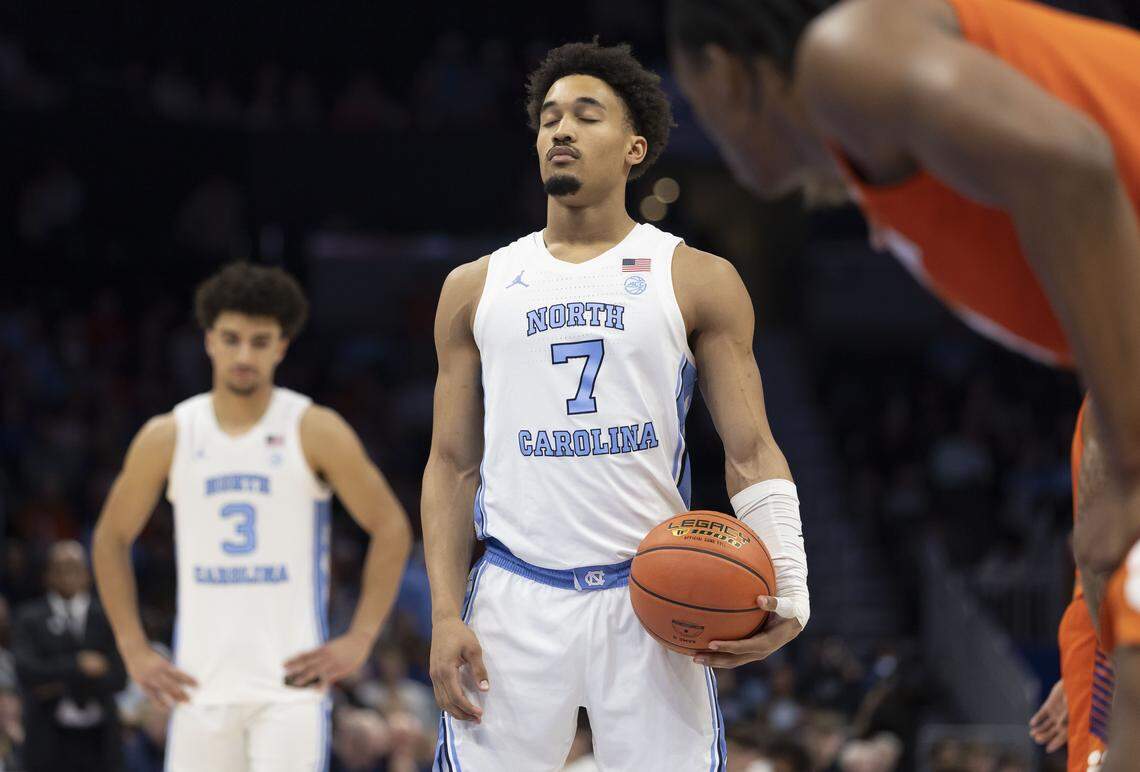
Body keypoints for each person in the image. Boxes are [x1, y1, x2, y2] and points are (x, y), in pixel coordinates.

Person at [665, 1, 1140, 768]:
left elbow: (1073, 164)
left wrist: (1128, 464)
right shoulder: (873, 159)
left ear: (720, 69)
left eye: (687, 85)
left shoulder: (848, 54)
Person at [422, 41, 810, 770]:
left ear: (635, 148)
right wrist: (444, 614)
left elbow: (751, 447)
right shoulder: (474, 287)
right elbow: (450, 464)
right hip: (515, 596)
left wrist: (789, 584)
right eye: (549, 118)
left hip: (656, 600)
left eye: (585, 116)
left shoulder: (697, 277)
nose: (560, 130)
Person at [91, 263, 412, 771]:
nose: (245, 355)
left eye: (260, 342)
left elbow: (391, 527)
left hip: (289, 691)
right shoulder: (170, 434)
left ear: (282, 346)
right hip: (198, 688)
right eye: (232, 339)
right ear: (209, 341)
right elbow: (110, 537)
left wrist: (360, 639)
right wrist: (133, 648)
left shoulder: (313, 428)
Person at [11, 541, 126, 772]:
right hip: (47, 739)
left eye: (74, 567)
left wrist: (56, 681)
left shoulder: (107, 616)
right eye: (60, 568)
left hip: (100, 740)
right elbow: (26, 671)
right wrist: (79, 665)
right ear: (47, 575)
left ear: (87, 574)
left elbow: (119, 677)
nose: (67, 574)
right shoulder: (29, 617)